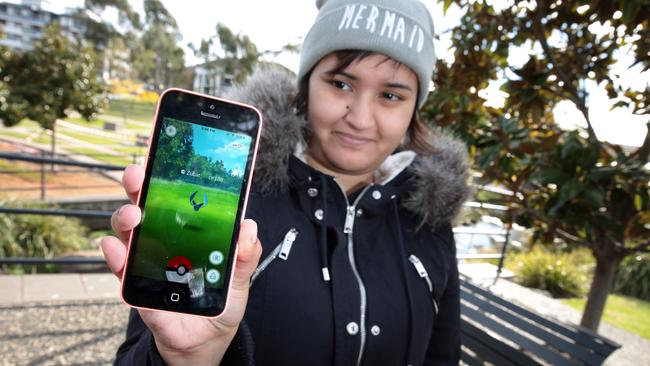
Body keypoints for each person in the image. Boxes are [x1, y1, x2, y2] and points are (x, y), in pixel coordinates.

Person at [102, 0, 470, 364]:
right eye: (341, 84)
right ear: (307, 85)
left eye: (390, 95)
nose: (360, 118)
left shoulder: (429, 225)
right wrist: (185, 359)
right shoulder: (236, 206)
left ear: (414, 109)